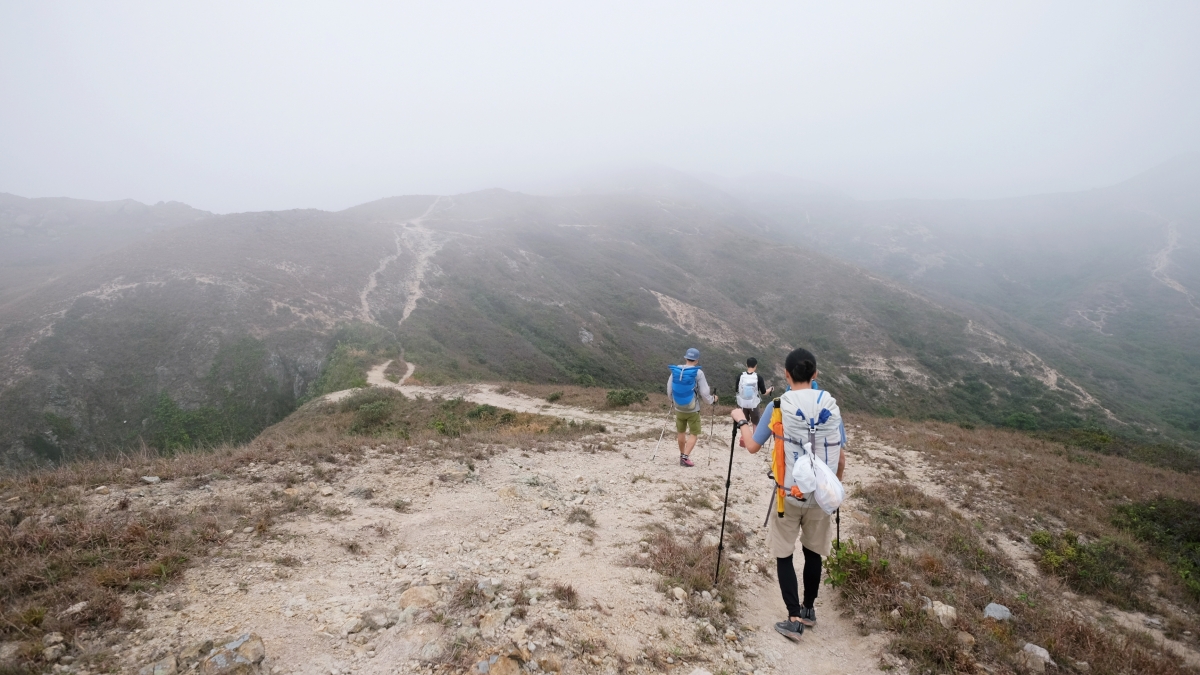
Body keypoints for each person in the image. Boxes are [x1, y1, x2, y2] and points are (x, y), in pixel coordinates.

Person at [729, 347, 846, 641]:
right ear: (815, 374)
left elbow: (753, 446)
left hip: (787, 495)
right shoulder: (830, 406)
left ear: (786, 374)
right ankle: (808, 610)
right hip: (820, 497)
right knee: (813, 552)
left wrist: (740, 420)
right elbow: (840, 458)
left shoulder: (778, 406)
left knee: (784, 553)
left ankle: (792, 617)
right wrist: (831, 493)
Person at [667, 347, 717, 468]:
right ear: (697, 360)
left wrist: (673, 401)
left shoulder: (676, 370)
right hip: (693, 409)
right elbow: (704, 393)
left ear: (685, 358)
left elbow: (669, 389)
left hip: (678, 407)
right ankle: (685, 458)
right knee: (694, 433)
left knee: (681, 432)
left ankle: (681, 455)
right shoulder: (698, 373)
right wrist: (712, 400)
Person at [734, 357, 773, 425]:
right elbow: (764, 392)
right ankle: (754, 435)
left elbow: (737, 390)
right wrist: (770, 389)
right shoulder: (758, 377)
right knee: (756, 423)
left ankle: (744, 435)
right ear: (756, 366)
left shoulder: (740, 376)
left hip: (742, 404)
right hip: (754, 404)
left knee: (743, 423)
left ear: (746, 364)